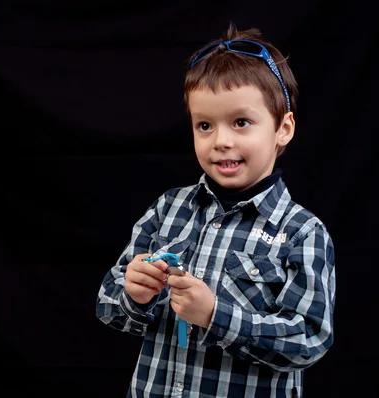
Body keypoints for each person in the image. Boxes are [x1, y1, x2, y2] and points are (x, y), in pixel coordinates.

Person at [96, 22, 336, 398]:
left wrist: (215, 316)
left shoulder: (302, 232)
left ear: (283, 129)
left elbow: (309, 340)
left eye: (241, 123)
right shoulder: (167, 209)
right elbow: (108, 305)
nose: (221, 141)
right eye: (204, 125)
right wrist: (133, 295)